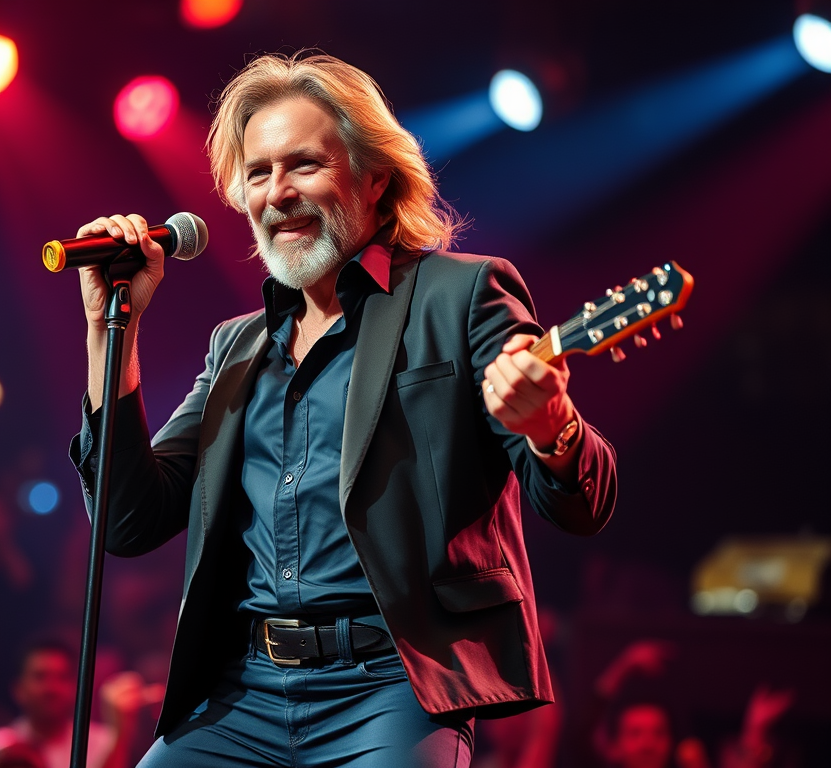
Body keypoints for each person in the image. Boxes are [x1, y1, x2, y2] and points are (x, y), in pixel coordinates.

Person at [69, 51, 617, 767]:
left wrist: (550, 427)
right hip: (242, 693)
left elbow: (582, 504)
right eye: (258, 173)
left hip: (394, 686)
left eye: (304, 165)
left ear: (375, 176)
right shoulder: (238, 345)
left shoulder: (461, 296)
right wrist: (109, 330)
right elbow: (128, 521)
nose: (278, 193)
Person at [0, 642, 147, 768]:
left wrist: (121, 733)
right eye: (40, 677)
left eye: (61, 677)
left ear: (75, 688)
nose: (52, 688)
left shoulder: (104, 742)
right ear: (18, 689)